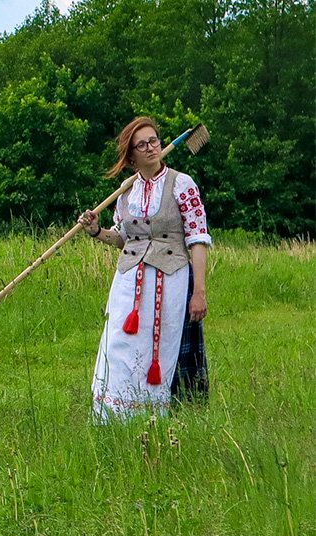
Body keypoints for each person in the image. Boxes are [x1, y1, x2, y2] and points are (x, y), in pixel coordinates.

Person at [78, 117, 211, 421]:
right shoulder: (126, 192)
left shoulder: (182, 184)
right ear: (131, 155)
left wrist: (199, 291)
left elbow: (198, 238)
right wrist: (97, 231)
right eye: (143, 144)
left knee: (159, 348)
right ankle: (113, 417)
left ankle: (153, 415)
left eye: (154, 141)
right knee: (118, 345)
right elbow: (122, 238)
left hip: (170, 280)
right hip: (128, 283)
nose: (151, 148)